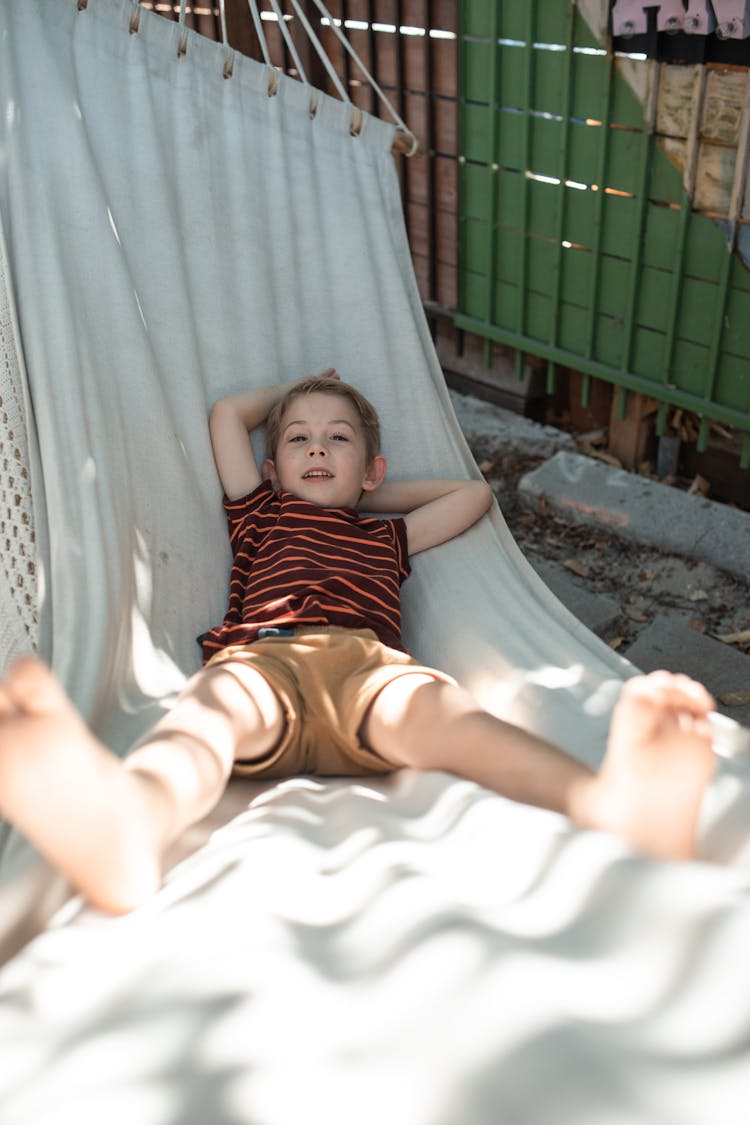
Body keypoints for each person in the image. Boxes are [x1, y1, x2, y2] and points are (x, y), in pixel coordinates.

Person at [0, 371, 717, 914]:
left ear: (371, 470)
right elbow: (228, 416)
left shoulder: (385, 534)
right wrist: (306, 391)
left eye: (337, 439)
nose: (316, 444)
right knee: (206, 714)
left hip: (369, 673)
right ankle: (131, 822)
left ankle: (607, 805)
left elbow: (472, 497)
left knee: (449, 715)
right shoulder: (259, 511)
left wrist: (368, 493)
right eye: (298, 439)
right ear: (273, 469)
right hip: (263, 662)